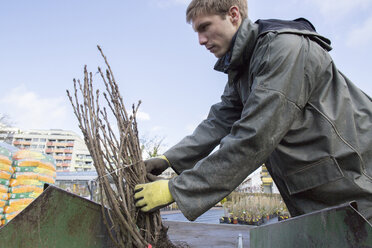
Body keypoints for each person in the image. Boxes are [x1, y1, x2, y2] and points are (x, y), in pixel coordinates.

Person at [134, 0, 372, 223]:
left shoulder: (283, 50)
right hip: (324, 191)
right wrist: (168, 159)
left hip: (356, 183)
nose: (200, 40)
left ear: (234, 15)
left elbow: (255, 136)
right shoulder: (243, 70)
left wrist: (176, 189)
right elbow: (218, 121)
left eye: (205, 27)